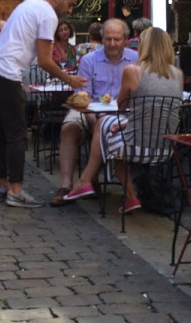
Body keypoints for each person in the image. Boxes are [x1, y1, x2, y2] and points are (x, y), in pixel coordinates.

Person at [0, 0, 87, 208]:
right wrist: (70, 79)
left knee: (0, 133)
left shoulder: (28, 4)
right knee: (17, 135)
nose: (70, 10)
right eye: (70, 4)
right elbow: (45, 61)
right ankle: (15, 191)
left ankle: (1, 187)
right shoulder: (48, 15)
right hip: (7, 73)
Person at [64, 27, 184, 213]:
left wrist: (122, 122)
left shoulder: (133, 71)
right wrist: (126, 124)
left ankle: (92, 183)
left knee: (104, 127)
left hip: (135, 146)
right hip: (166, 148)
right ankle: (118, 193)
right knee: (111, 131)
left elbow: (121, 107)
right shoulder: (178, 74)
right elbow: (158, 112)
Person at [51, 19, 138, 207]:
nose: (112, 44)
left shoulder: (136, 60)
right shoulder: (90, 60)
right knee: (69, 128)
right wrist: (92, 115)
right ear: (102, 38)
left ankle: (91, 180)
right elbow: (82, 95)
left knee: (105, 127)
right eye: (108, 39)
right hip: (90, 109)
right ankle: (66, 185)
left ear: (126, 39)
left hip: (125, 113)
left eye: (117, 39)